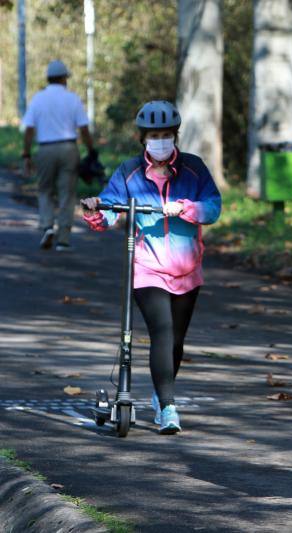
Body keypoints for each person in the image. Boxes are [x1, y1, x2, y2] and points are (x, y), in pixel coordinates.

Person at [81, 101, 221, 434]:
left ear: (175, 136)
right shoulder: (128, 172)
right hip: (148, 267)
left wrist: (185, 208)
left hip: (188, 269)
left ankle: (161, 394)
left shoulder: (194, 170)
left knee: (176, 342)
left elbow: (213, 208)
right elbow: (110, 210)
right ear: (142, 138)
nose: (160, 141)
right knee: (163, 331)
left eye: (166, 135)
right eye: (154, 136)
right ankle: (169, 408)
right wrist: (95, 211)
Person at [22, 60, 95, 252]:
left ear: (48, 78)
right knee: (67, 194)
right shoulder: (72, 98)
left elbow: (29, 129)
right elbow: (84, 128)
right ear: (63, 78)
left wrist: (26, 154)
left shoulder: (38, 99)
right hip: (68, 149)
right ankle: (63, 239)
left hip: (45, 148)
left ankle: (47, 226)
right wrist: (91, 150)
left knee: (44, 189)